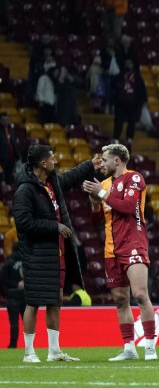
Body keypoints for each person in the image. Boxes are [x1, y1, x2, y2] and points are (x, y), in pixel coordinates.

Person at [12, 145, 99, 363]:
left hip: (56, 253)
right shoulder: (25, 190)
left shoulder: (52, 183)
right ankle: (29, 353)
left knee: (55, 300)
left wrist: (91, 165)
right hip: (36, 255)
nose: (55, 161)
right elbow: (24, 222)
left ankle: (54, 351)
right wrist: (55, 226)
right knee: (33, 302)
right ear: (43, 163)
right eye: (52, 158)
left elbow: (72, 176)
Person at [82, 143, 159, 361]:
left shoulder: (134, 178)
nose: (102, 163)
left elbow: (127, 206)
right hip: (111, 249)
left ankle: (150, 347)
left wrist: (102, 194)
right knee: (119, 299)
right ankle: (129, 349)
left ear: (117, 160)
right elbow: (95, 221)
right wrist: (95, 204)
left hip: (133, 243)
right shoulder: (104, 184)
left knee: (141, 295)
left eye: (105, 159)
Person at [2, 240, 27, 348]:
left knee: (14, 323)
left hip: (13, 297)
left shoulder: (8, 262)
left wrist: (7, 292)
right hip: (26, 296)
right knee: (28, 322)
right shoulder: (28, 261)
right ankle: (29, 346)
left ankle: (13, 345)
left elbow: (2, 280)